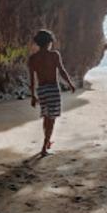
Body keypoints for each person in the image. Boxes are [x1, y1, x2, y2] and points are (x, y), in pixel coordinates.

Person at [28, 29, 75, 157]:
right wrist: (70, 84)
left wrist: (33, 96)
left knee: (46, 117)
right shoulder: (54, 55)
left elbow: (32, 80)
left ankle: (47, 141)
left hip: (42, 90)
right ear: (49, 42)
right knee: (52, 120)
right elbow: (62, 71)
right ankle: (44, 147)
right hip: (53, 90)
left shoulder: (33, 59)